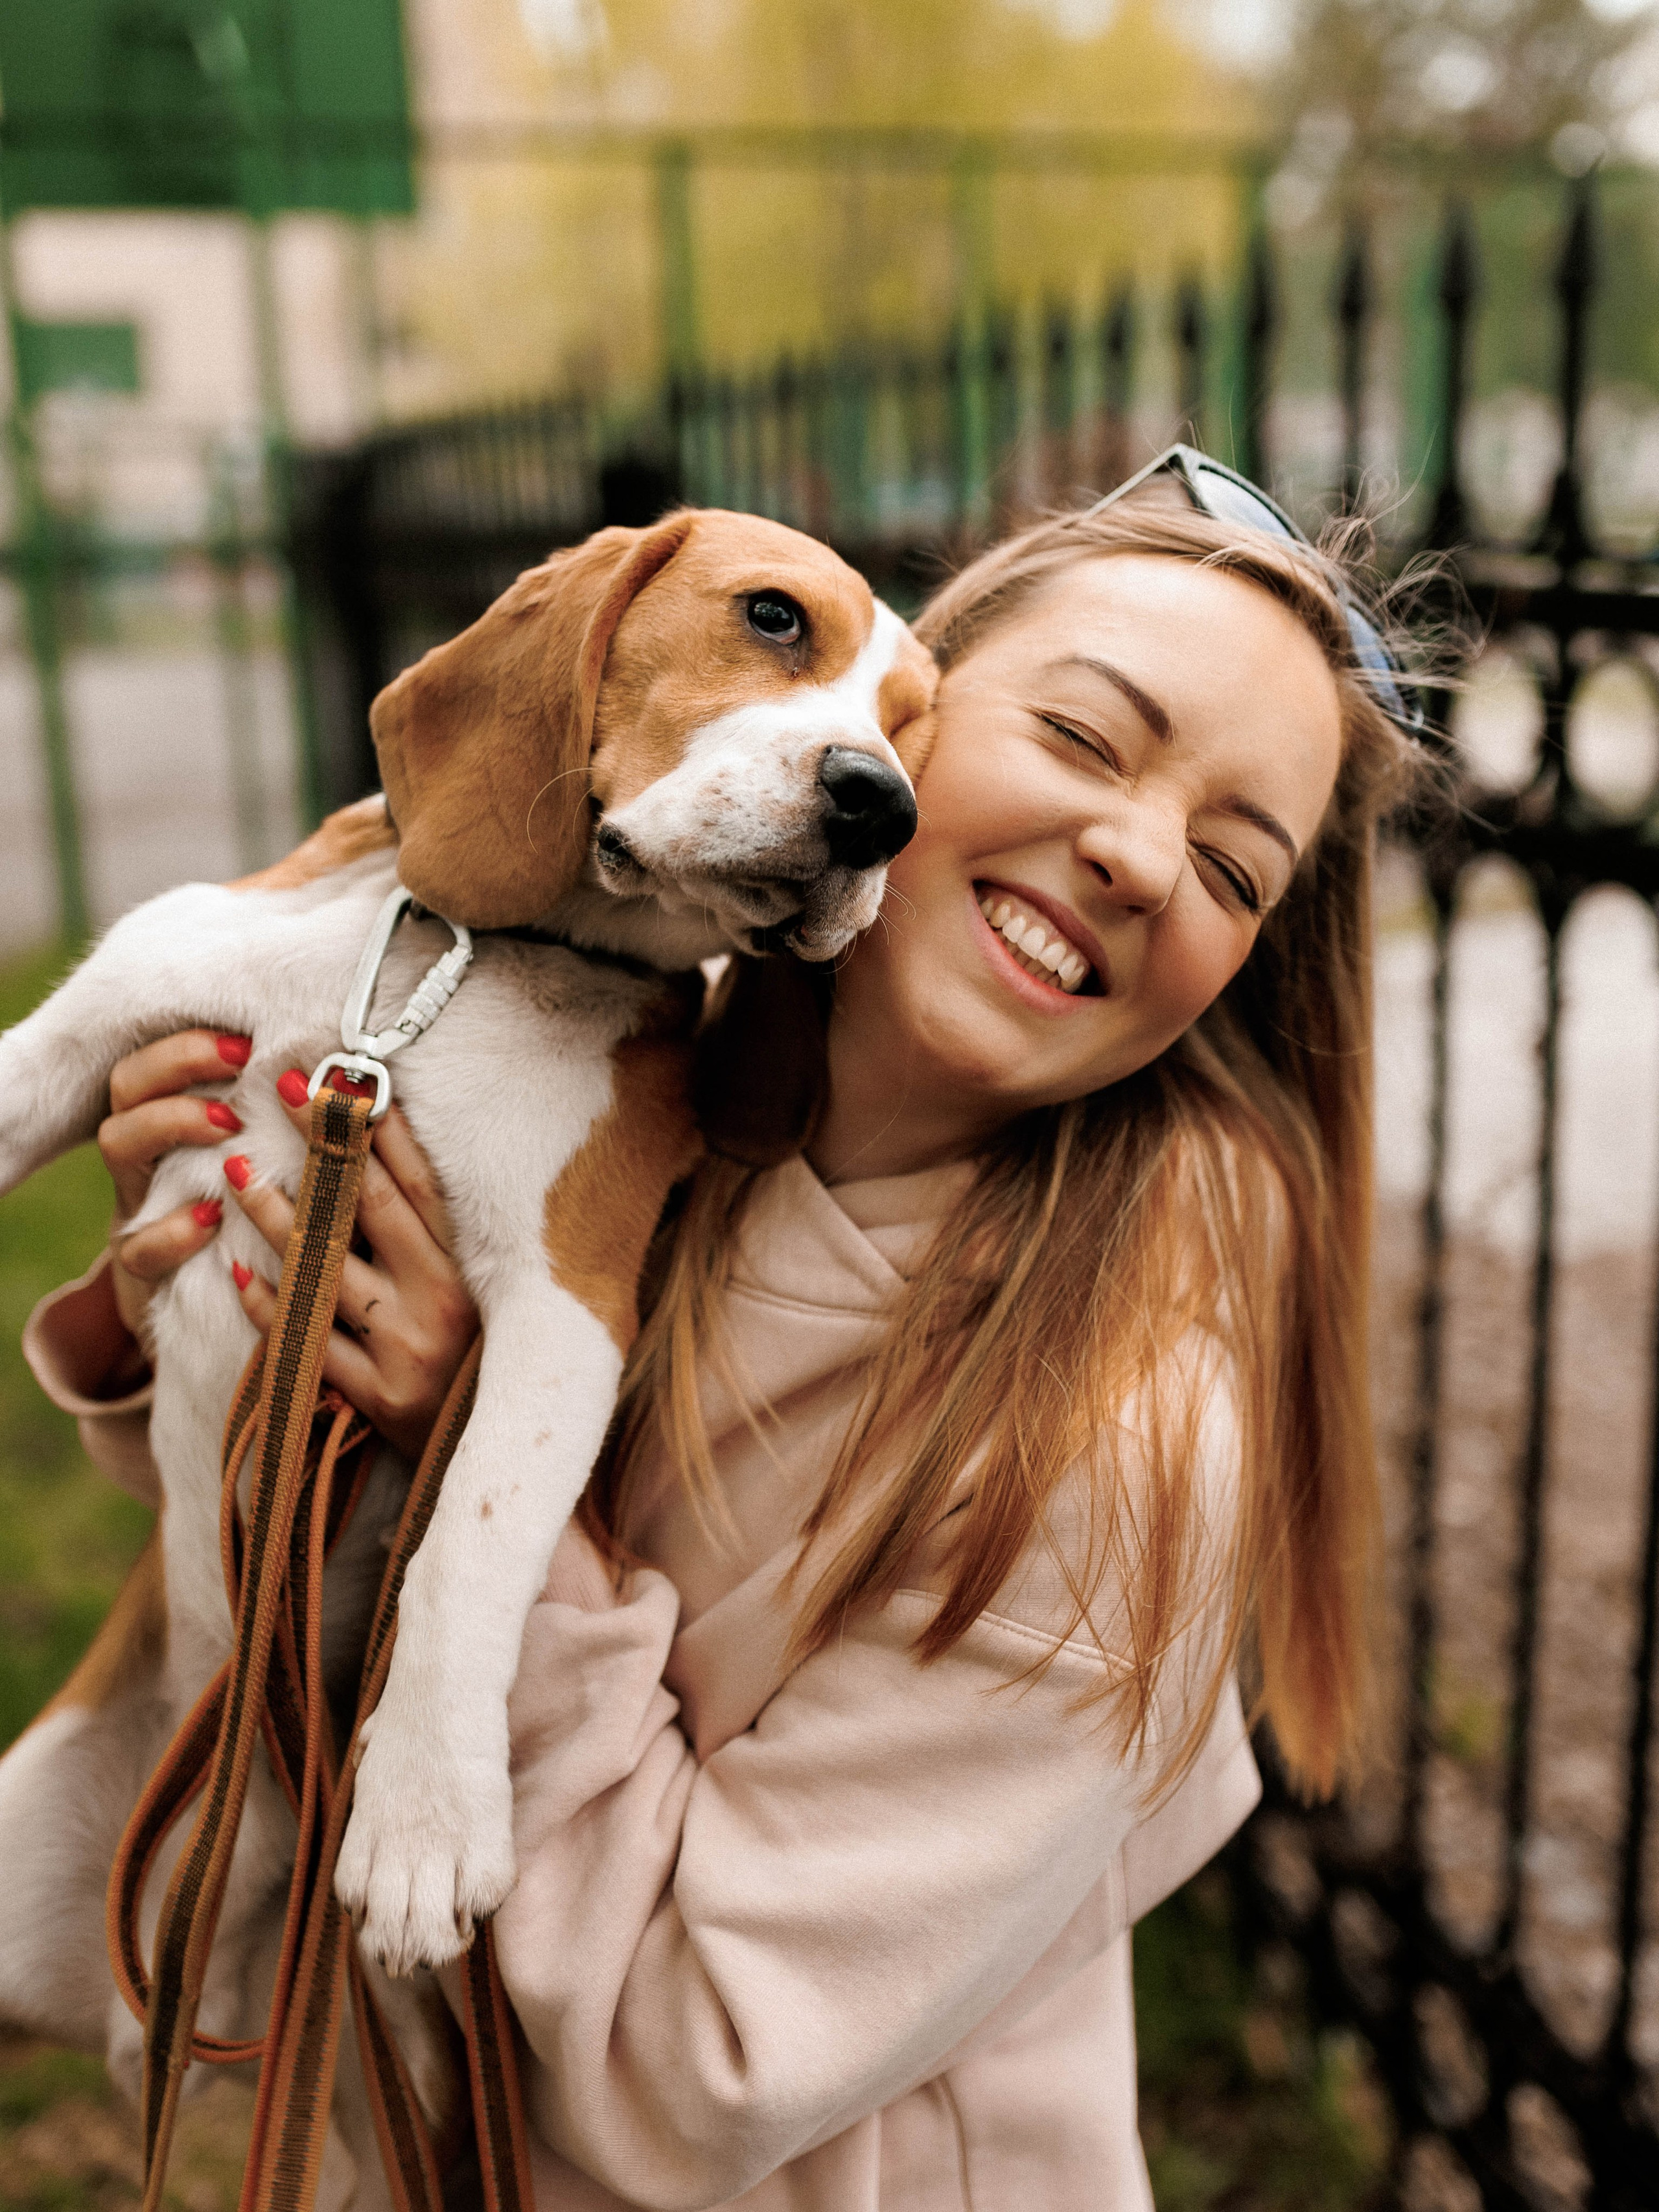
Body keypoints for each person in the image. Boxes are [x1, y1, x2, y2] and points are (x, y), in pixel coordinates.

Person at [27, 454, 1422, 2209]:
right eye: (1082, 737)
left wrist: (474, 1464)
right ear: (906, 713)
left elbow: (706, 2073)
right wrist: (217, 1285)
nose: (1144, 856)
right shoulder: (649, 1078)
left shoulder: (1115, 1452)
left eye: (1234, 867)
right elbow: (286, 1534)